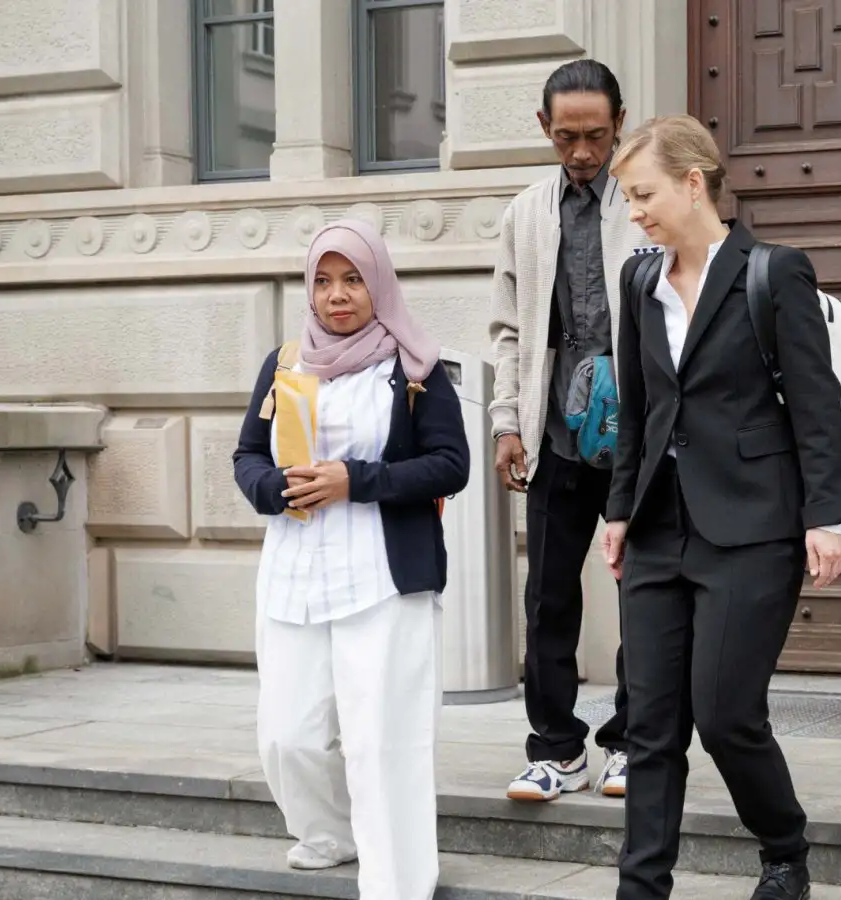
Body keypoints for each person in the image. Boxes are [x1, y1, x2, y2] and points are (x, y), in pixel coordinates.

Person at [604, 115, 841, 900]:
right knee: (650, 728)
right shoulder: (639, 280)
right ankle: (640, 889)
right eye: (628, 199)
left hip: (752, 526)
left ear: (692, 182)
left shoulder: (774, 271)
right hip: (657, 526)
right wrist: (619, 508)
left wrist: (826, 516)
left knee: (724, 717)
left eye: (643, 194)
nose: (636, 212)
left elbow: (816, 407)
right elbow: (639, 407)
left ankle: (784, 846)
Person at [233, 219, 470, 898]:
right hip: (295, 572)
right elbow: (248, 455)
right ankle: (328, 832)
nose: (338, 295)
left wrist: (354, 479)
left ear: (380, 284)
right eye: (324, 281)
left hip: (382, 575)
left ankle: (396, 879)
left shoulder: (414, 366)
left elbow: (450, 465)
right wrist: (274, 487)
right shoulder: (283, 363)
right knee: (288, 736)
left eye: (354, 279)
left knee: (381, 738)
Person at [487, 59, 654, 802]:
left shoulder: (648, 205)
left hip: (642, 441)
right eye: (565, 138)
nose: (582, 152)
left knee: (645, 594)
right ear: (544, 130)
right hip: (554, 434)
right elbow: (504, 330)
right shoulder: (524, 213)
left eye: (594, 135)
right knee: (549, 599)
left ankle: (631, 743)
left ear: (620, 121)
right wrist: (506, 423)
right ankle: (556, 749)